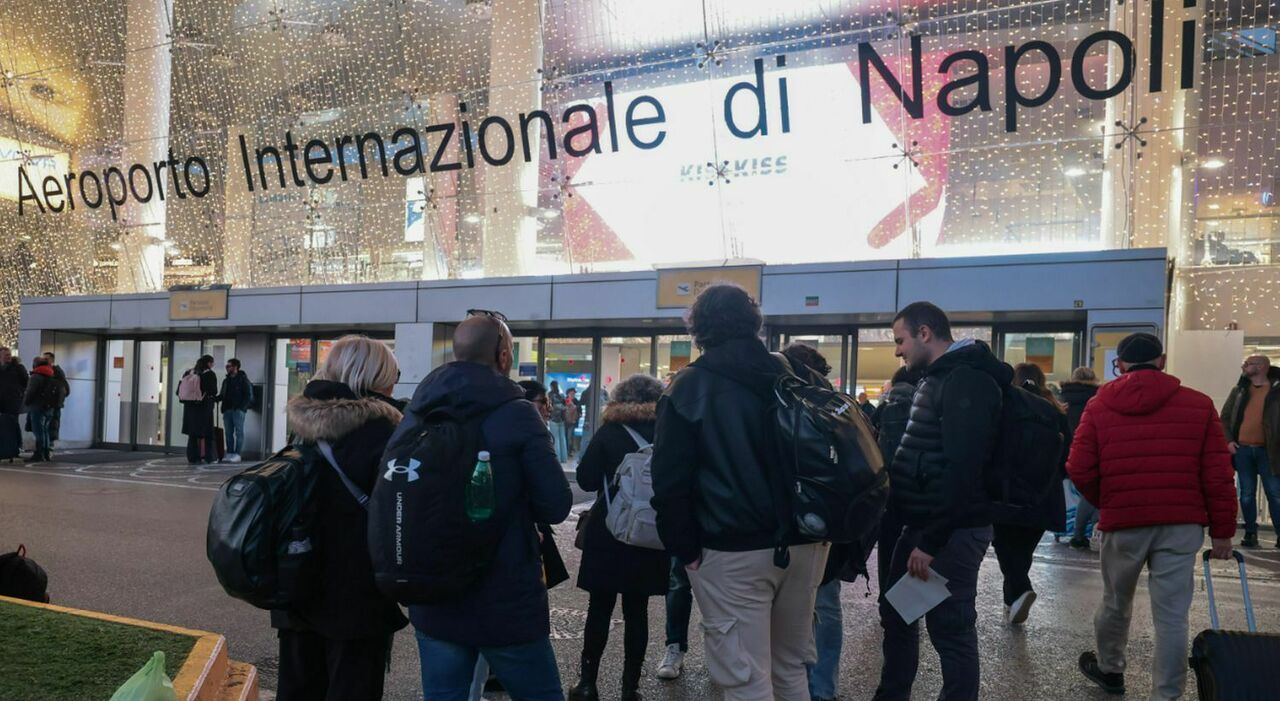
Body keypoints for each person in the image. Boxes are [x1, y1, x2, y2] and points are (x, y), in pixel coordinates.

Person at [652, 284, 828, 701]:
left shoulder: (689, 387)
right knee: (789, 668)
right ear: (754, 323)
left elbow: (669, 480)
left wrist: (686, 550)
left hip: (731, 547)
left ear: (699, 328)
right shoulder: (799, 373)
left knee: (745, 677)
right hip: (806, 541)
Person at [400, 310, 573, 701]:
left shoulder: (418, 411)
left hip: (434, 592)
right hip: (504, 598)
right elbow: (557, 505)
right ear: (504, 356)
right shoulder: (517, 413)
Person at [1069, 332, 1237, 699]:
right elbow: (1218, 472)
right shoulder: (1199, 404)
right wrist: (1223, 531)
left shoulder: (1099, 405)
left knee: (1116, 602)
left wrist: (1108, 500)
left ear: (1121, 364)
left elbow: (1079, 468)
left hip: (1123, 522)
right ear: (1162, 361)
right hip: (1181, 525)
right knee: (1172, 616)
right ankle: (1167, 693)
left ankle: (1111, 670)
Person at [873, 302, 1005, 701]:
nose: (898, 351)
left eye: (901, 340)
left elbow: (964, 470)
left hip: (948, 533)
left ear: (925, 333)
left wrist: (931, 542)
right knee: (899, 615)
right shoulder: (941, 378)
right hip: (928, 527)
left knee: (950, 627)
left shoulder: (965, 380)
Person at [274, 335, 409, 701]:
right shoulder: (385, 430)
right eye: (392, 372)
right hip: (358, 593)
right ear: (375, 375)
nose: (395, 380)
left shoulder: (302, 423)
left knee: (298, 688)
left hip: (297, 580)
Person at [569, 374, 668, 701]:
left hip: (608, 532)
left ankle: (587, 685)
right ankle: (631, 688)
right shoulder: (666, 432)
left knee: (599, 607)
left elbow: (584, 478)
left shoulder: (610, 432)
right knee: (637, 611)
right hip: (649, 533)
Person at [781, 342, 843, 701]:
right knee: (825, 607)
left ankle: (797, 685)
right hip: (827, 526)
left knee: (794, 608)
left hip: (790, 525)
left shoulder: (785, 405)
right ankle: (821, 688)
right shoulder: (838, 409)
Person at [991, 363, 1068, 626]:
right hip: (1046, 493)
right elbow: (1066, 455)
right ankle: (1012, 599)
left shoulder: (1007, 405)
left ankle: (1020, 590)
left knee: (1004, 544)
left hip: (1010, 490)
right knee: (1022, 549)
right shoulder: (1054, 409)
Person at [869, 366, 922, 591]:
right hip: (918, 489)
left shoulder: (883, 409)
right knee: (916, 549)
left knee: (889, 545)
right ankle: (912, 604)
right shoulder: (923, 406)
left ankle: (887, 597)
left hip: (889, 490)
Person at [1220, 354, 1280, 548]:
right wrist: (1229, 441)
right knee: (1246, 493)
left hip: (1269, 451)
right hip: (1243, 450)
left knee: (1274, 493)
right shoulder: (1239, 391)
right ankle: (1250, 533)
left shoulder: (1276, 392)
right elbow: (1225, 418)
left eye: (1249, 364)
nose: (1244, 367)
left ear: (1262, 367)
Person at [1060, 367, 1101, 549]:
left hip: (1066, 453)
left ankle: (1070, 531)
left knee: (1069, 493)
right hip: (1091, 453)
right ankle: (1085, 532)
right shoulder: (1099, 401)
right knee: (1091, 494)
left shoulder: (1061, 401)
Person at [23, 356, 64, 463]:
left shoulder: (36, 377)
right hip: (49, 408)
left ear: (36, 365)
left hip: (37, 407)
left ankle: (39, 453)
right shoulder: (51, 375)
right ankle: (46, 453)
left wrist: (26, 402)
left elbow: (30, 392)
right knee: (45, 430)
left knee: (38, 432)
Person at [178, 355, 219, 464]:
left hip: (190, 407)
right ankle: (209, 457)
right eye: (212, 363)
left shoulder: (189, 373)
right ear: (209, 363)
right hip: (204, 407)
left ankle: (192, 457)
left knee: (193, 434)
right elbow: (213, 391)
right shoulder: (209, 374)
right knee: (207, 433)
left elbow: (179, 390)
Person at [218, 358, 253, 463]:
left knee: (239, 432)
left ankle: (237, 454)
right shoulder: (226, 381)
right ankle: (229, 453)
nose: (227, 368)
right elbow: (222, 395)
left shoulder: (243, 380)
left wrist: (241, 408)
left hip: (238, 410)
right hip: (227, 409)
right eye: (226, 366)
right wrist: (214, 399)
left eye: (229, 366)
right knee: (228, 433)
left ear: (235, 367)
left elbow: (248, 396)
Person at [0, 348, 28, 460]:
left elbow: (26, 382)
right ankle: (5, 448)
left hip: (13, 401)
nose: (8, 357)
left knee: (13, 423)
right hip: (1, 401)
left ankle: (17, 446)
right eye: (6, 355)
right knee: (4, 425)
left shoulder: (18, 368)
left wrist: (18, 393)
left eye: (9, 354)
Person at [41, 352, 69, 447]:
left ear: (52, 360)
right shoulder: (47, 371)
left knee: (52, 424)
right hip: (51, 403)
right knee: (48, 425)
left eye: (46, 359)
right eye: (43, 359)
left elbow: (64, 388)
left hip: (54, 404)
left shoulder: (56, 372)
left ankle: (49, 445)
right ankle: (48, 446)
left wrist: (57, 399)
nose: (44, 361)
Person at [548, 380, 569, 463]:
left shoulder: (550, 394)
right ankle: (564, 458)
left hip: (553, 419)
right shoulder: (562, 395)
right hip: (561, 419)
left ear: (551, 386)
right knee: (562, 438)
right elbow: (565, 406)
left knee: (555, 439)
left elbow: (550, 406)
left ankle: (558, 458)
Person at [564, 388, 581, 459]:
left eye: (574, 393)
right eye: (571, 393)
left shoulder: (576, 401)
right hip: (564, 422)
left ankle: (569, 451)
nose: (573, 395)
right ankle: (565, 451)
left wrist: (576, 419)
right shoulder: (564, 400)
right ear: (568, 393)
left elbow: (580, 411)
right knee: (565, 437)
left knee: (570, 437)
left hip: (572, 422)